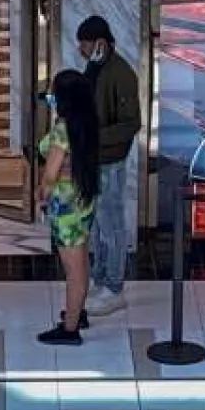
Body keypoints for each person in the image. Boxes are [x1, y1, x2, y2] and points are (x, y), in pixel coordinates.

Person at [76, 16, 142, 317]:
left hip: (110, 161)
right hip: (95, 158)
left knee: (112, 225)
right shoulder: (96, 69)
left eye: (86, 44)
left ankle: (115, 288)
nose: (81, 50)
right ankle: (101, 278)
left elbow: (131, 124)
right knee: (100, 225)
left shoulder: (121, 74)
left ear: (100, 43)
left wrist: (94, 136)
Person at [36, 70, 103, 345]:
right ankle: (78, 311)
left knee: (73, 269)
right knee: (81, 261)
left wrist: (41, 194)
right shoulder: (87, 123)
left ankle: (70, 328)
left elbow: (51, 174)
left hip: (65, 207)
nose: (50, 97)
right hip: (83, 199)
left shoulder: (63, 130)